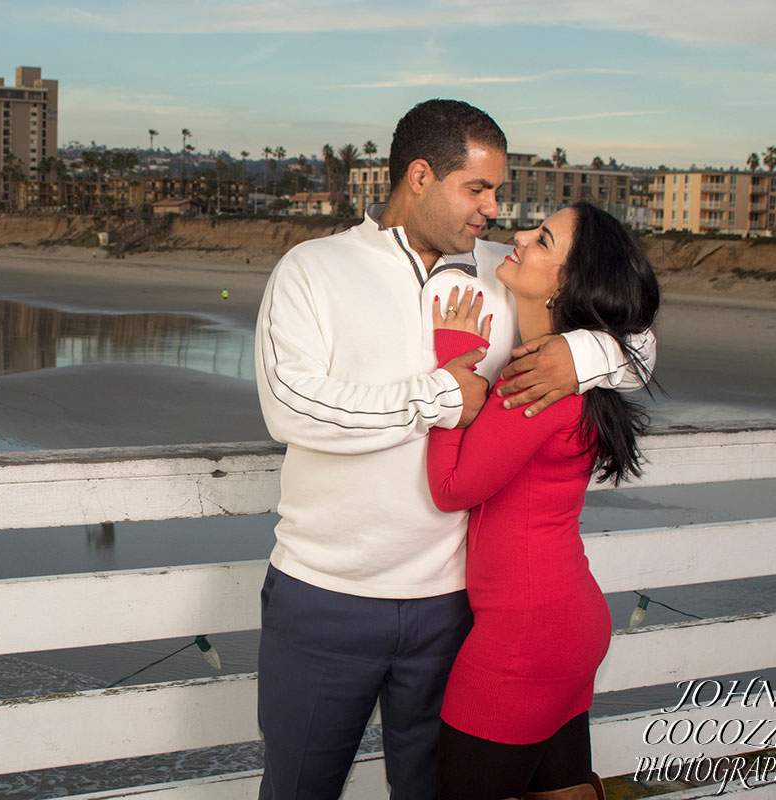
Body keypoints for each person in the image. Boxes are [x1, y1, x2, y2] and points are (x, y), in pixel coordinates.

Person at [254, 99, 655, 800]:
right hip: (326, 597)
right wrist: (439, 396)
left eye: (497, 191)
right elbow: (290, 408)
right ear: (419, 176)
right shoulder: (313, 268)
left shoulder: (508, 270)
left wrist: (581, 354)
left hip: (454, 608)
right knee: (298, 790)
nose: (494, 209)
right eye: (478, 188)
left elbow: (640, 342)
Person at [427, 203, 659, 800]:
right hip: (567, 622)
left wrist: (452, 372)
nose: (522, 235)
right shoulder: (577, 375)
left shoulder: (536, 382)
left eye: (544, 238)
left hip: (525, 639)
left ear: (565, 283)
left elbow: (451, 489)